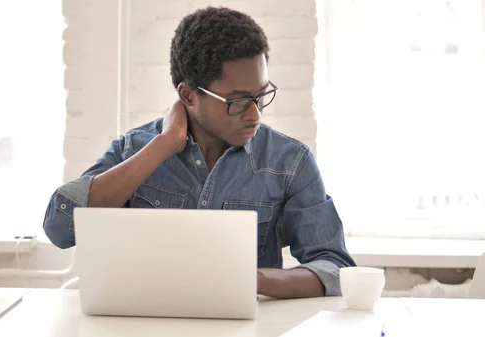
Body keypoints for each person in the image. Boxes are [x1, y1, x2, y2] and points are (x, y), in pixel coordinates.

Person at [43, 6, 355, 299]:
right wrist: (165, 145)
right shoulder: (135, 149)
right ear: (189, 95)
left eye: (261, 96)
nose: (255, 115)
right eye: (237, 101)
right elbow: (61, 227)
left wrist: (253, 279)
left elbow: (334, 266)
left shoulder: (289, 163)